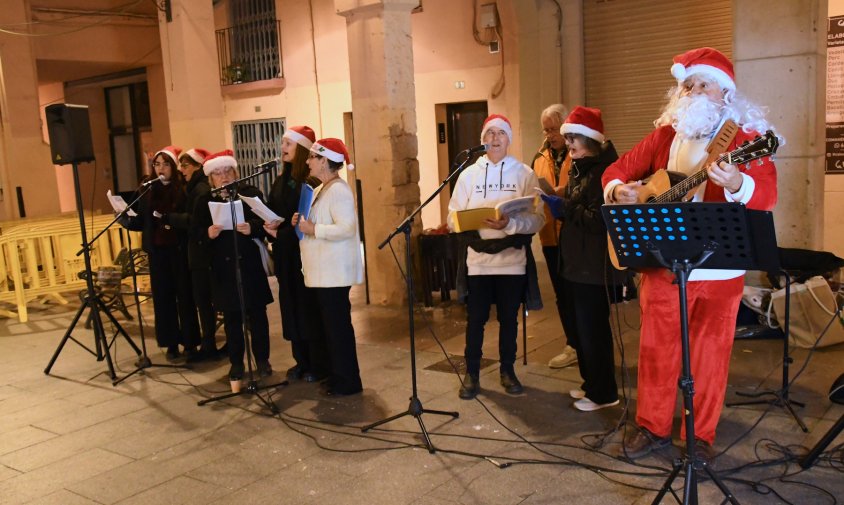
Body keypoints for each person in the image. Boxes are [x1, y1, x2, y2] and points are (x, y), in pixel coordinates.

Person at [602, 47, 779, 462]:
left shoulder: (745, 137)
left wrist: (737, 181)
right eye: (687, 85)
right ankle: (652, 426)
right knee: (656, 350)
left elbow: (767, 195)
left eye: (703, 83)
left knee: (709, 356)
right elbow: (618, 169)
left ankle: (699, 437)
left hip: (719, 270)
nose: (693, 91)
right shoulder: (666, 134)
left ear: (726, 92)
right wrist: (619, 190)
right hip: (664, 264)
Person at [447, 114, 545, 399]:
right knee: (475, 320)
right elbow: (452, 217)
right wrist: (470, 221)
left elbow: (537, 219)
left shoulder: (524, 173)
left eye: (501, 133)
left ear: (509, 139)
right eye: (490, 133)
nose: (495, 138)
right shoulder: (468, 175)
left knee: (508, 321)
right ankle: (472, 373)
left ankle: (507, 370)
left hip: (512, 262)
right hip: (478, 263)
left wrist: (511, 225)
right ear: (482, 139)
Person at [541, 106, 626, 412]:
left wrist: (563, 207)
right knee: (581, 329)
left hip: (593, 266)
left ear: (589, 139)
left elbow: (599, 220)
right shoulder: (583, 167)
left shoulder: (604, 171)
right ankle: (591, 385)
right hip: (576, 263)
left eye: (573, 138)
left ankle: (604, 393)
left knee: (594, 332)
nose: (569, 144)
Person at [292, 138, 364, 396]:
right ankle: (338, 376)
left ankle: (348, 382)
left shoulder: (339, 191)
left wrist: (314, 229)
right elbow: (319, 221)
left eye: (313, 157)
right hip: (324, 273)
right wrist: (303, 222)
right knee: (331, 330)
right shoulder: (324, 188)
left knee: (338, 330)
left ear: (325, 161)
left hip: (334, 273)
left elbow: (347, 228)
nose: (308, 161)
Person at [200, 150, 275, 381]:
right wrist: (208, 233)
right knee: (232, 320)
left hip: (249, 265)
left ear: (235, 172)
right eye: (217, 173)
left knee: (258, 316)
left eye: (227, 171)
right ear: (211, 178)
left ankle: (262, 360)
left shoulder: (249, 194)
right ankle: (236, 363)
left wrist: (252, 227)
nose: (223, 177)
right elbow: (195, 234)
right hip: (223, 269)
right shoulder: (205, 200)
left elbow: (269, 221)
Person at [121, 146, 200, 360]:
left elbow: (187, 218)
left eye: (166, 164)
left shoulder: (182, 189)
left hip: (179, 250)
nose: (161, 169)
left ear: (173, 167)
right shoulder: (147, 190)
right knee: (163, 298)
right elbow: (141, 221)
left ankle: (190, 342)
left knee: (184, 296)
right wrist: (125, 218)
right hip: (157, 252)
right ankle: (170, 342)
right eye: (157, 164)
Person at [264, 126, 327, 382]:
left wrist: (282, 232)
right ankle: (299, 360)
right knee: (290, 307)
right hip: (283, 253)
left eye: (288, 143)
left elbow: (305, 220)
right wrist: (268, 222)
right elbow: (275, 210)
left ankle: (314, 362)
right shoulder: (281, 179)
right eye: (282, 143)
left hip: (302, 255)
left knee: (305, 307)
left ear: (301, 149)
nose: (283, 148)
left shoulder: (308, 182)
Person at [531, 104, 577, 370]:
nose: (549, 135)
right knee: (561, 293)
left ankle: (585, 343)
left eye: (553, 129)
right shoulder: (539, 158)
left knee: (577, 293)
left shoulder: (578, 152)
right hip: (550, 236)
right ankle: (572, 344)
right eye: (546, 130)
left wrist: (564, 191)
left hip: (574, 234)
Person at [168, 147, 222, 362]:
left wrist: (172, 219)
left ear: (199, 166)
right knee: (203, 302)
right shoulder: (194, 187)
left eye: (185, 165)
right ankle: (208, 342)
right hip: (199, 252)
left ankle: (209, 344)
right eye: (180, 165)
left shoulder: (199, 189)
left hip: (202, 254)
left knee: (204, 301)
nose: (181, 170)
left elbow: (195, 222)